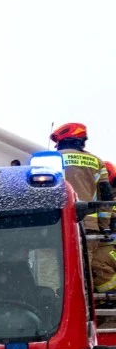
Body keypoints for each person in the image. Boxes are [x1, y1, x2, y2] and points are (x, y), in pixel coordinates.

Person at [51, 123, 116, 292]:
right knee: (83, 271)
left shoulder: (51, 158)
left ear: (63, 140)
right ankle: (82, 302)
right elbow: (106, 196)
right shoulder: (97, 162)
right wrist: (104, 226)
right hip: (89, 227)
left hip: (55, 224)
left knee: (56, 271)